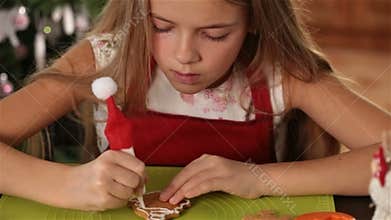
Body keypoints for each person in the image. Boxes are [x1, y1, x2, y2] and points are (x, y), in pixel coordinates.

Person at [0, 0, 390, 212]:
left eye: (215, 34)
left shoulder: (277, 73)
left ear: (254, 20)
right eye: (161, 27)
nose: (185, 55)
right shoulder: (106, 60)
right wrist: (67, 184)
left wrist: (259, 179)